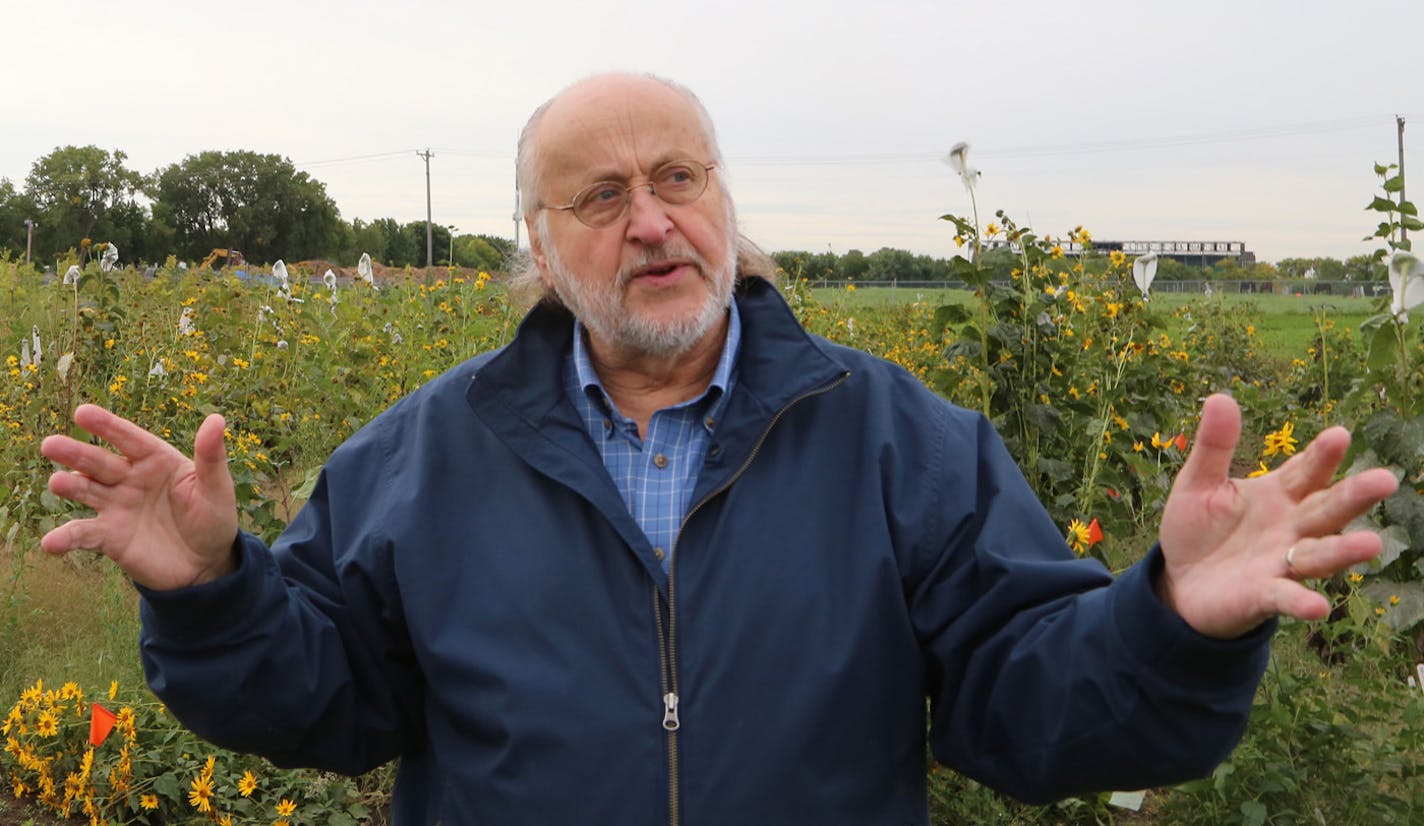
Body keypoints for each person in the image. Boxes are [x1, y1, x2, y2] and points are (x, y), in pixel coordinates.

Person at [40, 73, 1397, 825]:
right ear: (539, 241)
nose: (651, 220)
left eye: (680, 176)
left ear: (724, 200)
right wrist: (211, 592)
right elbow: (332, 704)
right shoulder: (424, 455)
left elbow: (1027, 707)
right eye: (603, 193)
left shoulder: (895, 439)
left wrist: (1171, 621)